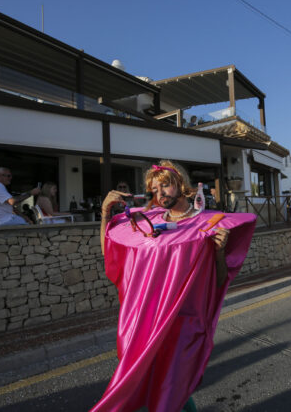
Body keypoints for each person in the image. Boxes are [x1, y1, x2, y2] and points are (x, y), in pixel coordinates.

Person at [92, 160, 256, 412]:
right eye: (154, 190)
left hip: (182, 323)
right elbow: (110, 253)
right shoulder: (147, 222)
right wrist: (105, 214)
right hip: (144, 318)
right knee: (148, 383)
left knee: (172, 386)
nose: (159, 194)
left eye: (165, 186)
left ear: (181, 184)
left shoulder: (208, 225)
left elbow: (219, 281)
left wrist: (219, 252)